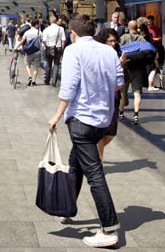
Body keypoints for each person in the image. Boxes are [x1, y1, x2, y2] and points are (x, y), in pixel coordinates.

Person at [48, 15, 124, 247]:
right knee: (76, 163)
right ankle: (67, 208)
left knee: (94, 173)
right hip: (102, 118)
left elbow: (69, 86)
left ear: (72, 32)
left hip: (81, 119)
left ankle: (109, 229)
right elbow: (119, 82)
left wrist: (57, 115)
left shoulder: (73, 51)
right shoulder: (109, 52)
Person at [95, 27, 126, 162]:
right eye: (110, 41)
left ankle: (92, 152)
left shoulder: (116, 54)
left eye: (115, 41)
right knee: (102, 133)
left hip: (114, 98)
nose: (113, 44)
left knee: (111, 134)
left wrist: (121, 65)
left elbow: (120, 80)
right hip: (102, 99)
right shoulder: (98, 55)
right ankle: (98, 162)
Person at [119, 20, 155, 125]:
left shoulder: (124, 37)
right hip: (138, 70)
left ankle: (121, 113)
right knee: (137, 93)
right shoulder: (141, 39)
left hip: (125, 69)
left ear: (128, 27)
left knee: (123, 93)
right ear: (137, 28)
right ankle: (135, 116)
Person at [14, 18, 42, 86]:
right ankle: (34, 81)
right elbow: (43, 42)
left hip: (29, 52)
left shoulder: (27, 32)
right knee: (36, 67)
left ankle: (29, 77)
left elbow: (21, 42)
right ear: (36, 25)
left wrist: (15, 48)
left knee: (27, 64)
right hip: (37, 51)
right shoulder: (39, 32)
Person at [42, 16, 65, 86]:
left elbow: (44, 40)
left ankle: (47, 80)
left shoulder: (46, 29)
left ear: (50, 21)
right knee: (56, 64)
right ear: (56, 21)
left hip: (49, 47)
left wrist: (46, 46)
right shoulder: (61, 29)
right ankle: (54, 82)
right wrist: (62, 48)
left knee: (48, 65)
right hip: (58, 48)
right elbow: (63, 40)